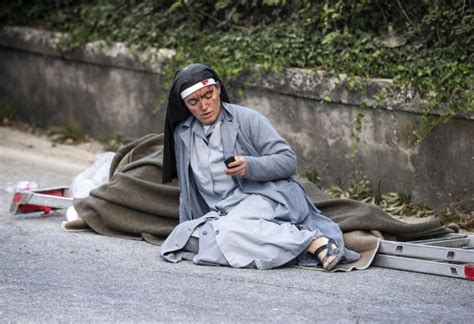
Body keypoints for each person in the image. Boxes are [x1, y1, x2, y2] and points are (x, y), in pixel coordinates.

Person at [160, 63, 359, 270]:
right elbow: (186, 189)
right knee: (189, 239)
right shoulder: (182, 134)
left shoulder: (248, 119)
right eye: (194, 101)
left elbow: (288, 161)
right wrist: (185, 225)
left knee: (227, 233)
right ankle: (284, 245)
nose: (204, 106)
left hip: (264, 197)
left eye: (208, 95)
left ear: (218, 89)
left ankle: (313, 242)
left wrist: (250, 166)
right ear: (185, 104)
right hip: (222, 214)